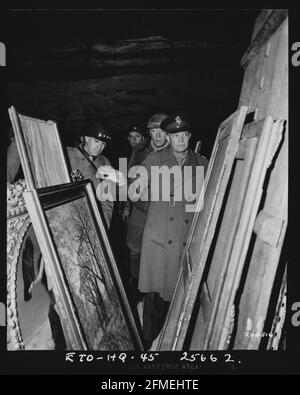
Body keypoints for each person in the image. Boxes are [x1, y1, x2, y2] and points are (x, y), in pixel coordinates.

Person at [137, 114, 209, 348]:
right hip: (159, 236)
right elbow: (136, 195)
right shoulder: (153, 160)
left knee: (182, 295)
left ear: (189, 136)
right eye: (175, 135)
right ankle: (147, 343)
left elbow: (207, 198)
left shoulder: (201, 162)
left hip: (186, 238)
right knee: (156, 295)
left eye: (184, 135)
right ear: (168, 137)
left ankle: (173, 344)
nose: (180, 139)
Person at [122, 113, 169, 307]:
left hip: (165, 211)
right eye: (153, 131)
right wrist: (128, 204)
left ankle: (157, 290)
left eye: (161, 131)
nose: (157, 135)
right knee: (134, 248)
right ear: (149, 133)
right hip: (141, 208)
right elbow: (130, 179)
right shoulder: (140, 150)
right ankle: (136, 287)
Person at [66, 120, 126, 229]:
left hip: (91, 219)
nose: (100, 147)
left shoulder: (104, 162)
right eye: (96, 141)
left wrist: (104, 227)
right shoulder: (67, 155)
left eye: (103, 144)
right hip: (67, 216)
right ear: (87, 138)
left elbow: (107, 200)